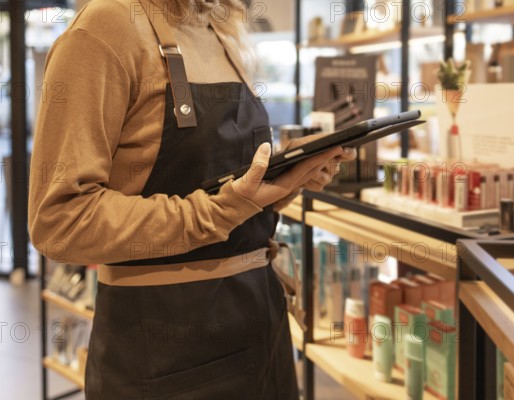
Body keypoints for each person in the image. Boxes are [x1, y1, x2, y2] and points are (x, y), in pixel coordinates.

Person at [28, 0, 356, 398]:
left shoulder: (220, 29)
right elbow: (61, 221)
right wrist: (221, 210)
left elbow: (223, 195)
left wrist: (284, 181)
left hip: (263, 325)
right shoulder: (104, 29)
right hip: (165, 349)